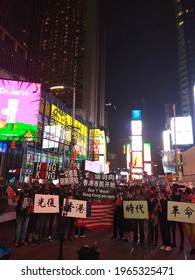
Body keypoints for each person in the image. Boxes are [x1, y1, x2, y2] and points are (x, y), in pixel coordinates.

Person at [181, 187, 195, 255]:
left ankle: (193, 248)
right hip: (188, 219)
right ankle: (193, 248)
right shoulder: (184, 199)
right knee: (190, 235)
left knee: (191, 235)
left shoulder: (192, 198)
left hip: (190, 219)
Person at [171, 184, 184, 250]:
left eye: (176, 188)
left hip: (180, 214)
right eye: (174, 188)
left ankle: (182, 243)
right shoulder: (171, 196)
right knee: (173, 228)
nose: (175, 189)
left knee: (181, 229)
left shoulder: (181, 196)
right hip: (173, 214)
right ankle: (174, 242)